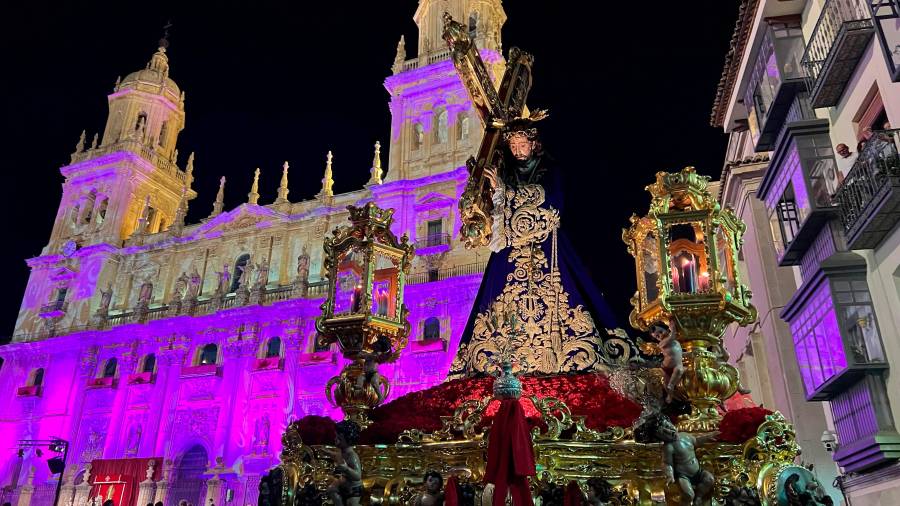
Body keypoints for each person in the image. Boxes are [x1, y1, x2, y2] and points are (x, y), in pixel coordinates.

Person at [449, 112, 622, 378]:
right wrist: (492, 192)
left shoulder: (548, 169)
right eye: (514, 146)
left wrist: (506, 191)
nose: (518, 151)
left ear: (533, 144)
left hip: (546, 243)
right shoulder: (505, 172)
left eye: (523, 145)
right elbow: (497, 208)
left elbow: (552, 201)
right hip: (511, 248)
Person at [634, 413, 717, 506]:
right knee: (688, 494)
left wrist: (710, 436)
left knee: (709, 479)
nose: (670, 432)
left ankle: (699, 497)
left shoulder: (685, 436)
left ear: (671, 423)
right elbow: (667, 463)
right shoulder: (669, 447)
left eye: (667, 426)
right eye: (664, 433)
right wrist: (670, 474)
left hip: (698, 472)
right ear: (658, 438)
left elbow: (697, 441)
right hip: (684, 476)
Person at [326, 420, 363, 506]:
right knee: (331, 490)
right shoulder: (342, 452)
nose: (336, 440)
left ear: (349, 441)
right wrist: (327, 453)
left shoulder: (352, 456)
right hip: (343, 484)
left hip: (354, 488)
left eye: (339, 439)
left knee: (352, 504)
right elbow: (336, 456)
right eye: (336, 437)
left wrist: (346, 469)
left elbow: (357, 476)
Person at [650, 322, 684, 403]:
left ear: (666, 329)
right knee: (666, 384)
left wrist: (690, 354)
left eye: (661, 332)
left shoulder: (676, 342)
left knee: (679, 370)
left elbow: (679, 353)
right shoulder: (662, 343)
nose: (660, 336)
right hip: (666, 368)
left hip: (677, 366)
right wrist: (673, 328)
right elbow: (672, 337)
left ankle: (671, 387)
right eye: (657, 336)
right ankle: (670, 395)